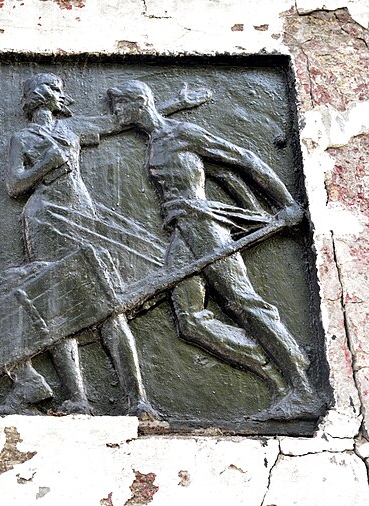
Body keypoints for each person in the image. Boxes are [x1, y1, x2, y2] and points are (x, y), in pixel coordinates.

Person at [107, 79, 321, 420]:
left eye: (119, 105)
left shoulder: (181, 134)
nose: (115, 113)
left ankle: (304, 391)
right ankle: (284, 368)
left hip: (203, 225)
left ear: (138, 103)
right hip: (181, 230)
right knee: (190, 321)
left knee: (245, 304)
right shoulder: (156, 138)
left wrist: (287, 203)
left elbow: (244, 159)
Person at [4, 73, 204, 415]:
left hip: (82, 215)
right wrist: (43, 166)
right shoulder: (21, 137)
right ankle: (78, 398)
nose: (59, 95)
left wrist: (176, 104)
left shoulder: (72, 129)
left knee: (108, 302)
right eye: (53, 89)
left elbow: (117, 123)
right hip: (45, 218)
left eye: (59, 90)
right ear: (37, 96)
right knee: (58, 306)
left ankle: (138, 400)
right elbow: (13, 186)